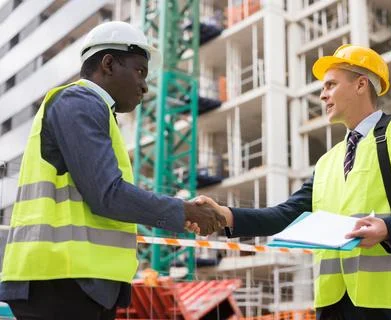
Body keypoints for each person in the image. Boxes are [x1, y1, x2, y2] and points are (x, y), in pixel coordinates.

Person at [193, 44, 391, 319]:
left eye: (331, 85)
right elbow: (286, 215)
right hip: (333, 304)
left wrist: (389, 228)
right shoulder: (327, 162)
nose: (322, 95)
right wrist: (225, 215)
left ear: (360, 85)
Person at [0, 21, 225, 320]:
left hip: (74, 281)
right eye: (140, 71)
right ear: (108, 63)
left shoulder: (95, 111)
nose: (145, 85)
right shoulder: (79, 102)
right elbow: (107, 194)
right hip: (62, 281)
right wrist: (185, 211)